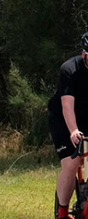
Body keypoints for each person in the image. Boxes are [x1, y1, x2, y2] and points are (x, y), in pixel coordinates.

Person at [50, 32, 88, 219]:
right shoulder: (69, 69)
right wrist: (73, 130)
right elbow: (67, 106)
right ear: (84, 54)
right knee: (72, 163)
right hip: (64, 119)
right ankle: (62, 212)